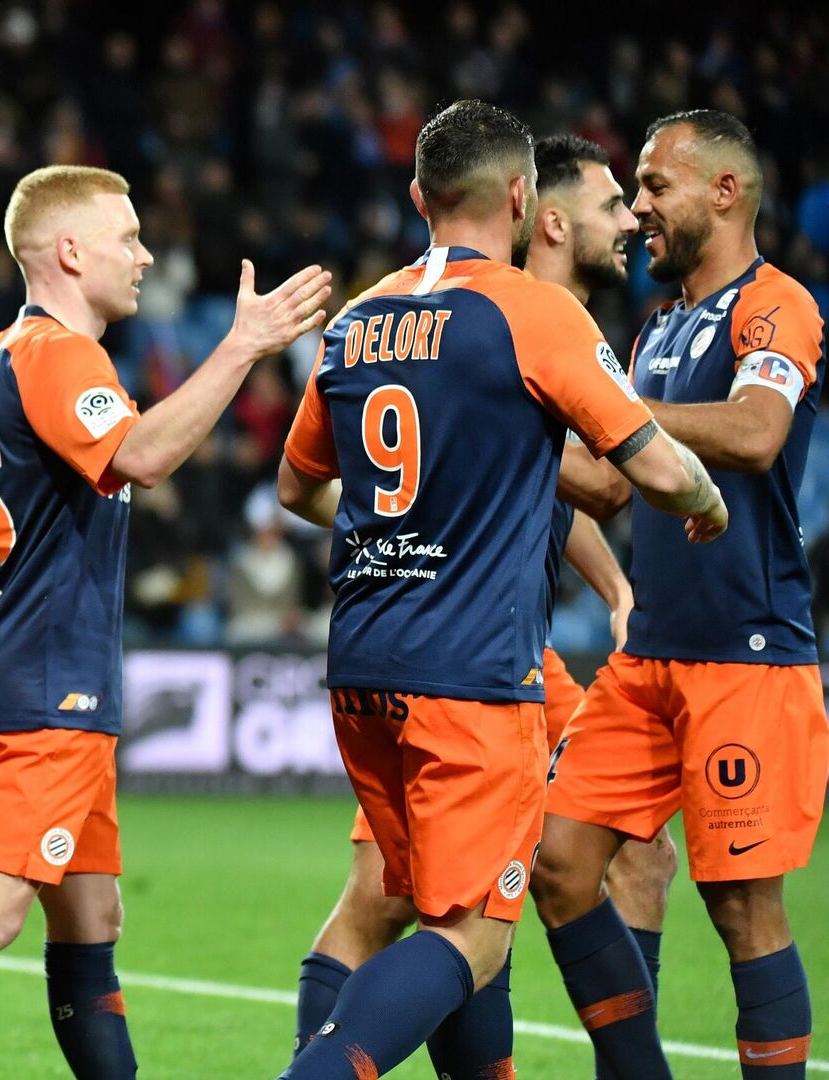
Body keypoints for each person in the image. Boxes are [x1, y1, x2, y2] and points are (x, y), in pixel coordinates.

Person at [0, 164, 329, 1078]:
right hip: (46, 688)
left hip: (24, 676)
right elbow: (140, 455)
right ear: (69, 251)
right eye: (127, 236)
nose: (144, 255)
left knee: (92, 920)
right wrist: (242, 348)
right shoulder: (61, 357)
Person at [275, 99, 726, 1079]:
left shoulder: (357, 321)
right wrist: (707, 501)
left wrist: (407, 523)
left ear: (417, 195)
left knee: (431, 908)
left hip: (361, 669)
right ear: (522, 199)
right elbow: (648, 469)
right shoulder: (534, 312)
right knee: (475, 935)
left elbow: (296, 485)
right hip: (472, 675)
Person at [533, 109, 827, 1079]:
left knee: (742, 907)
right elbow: (615, 483)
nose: (640, 209)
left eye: (656, 187)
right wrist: (518, 435)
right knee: (561, 867)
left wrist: (603, 407)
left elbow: (754, 433)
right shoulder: (656, 328)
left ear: (725, 192)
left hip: (748, 659)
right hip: (648, 660)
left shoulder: (776, 304)